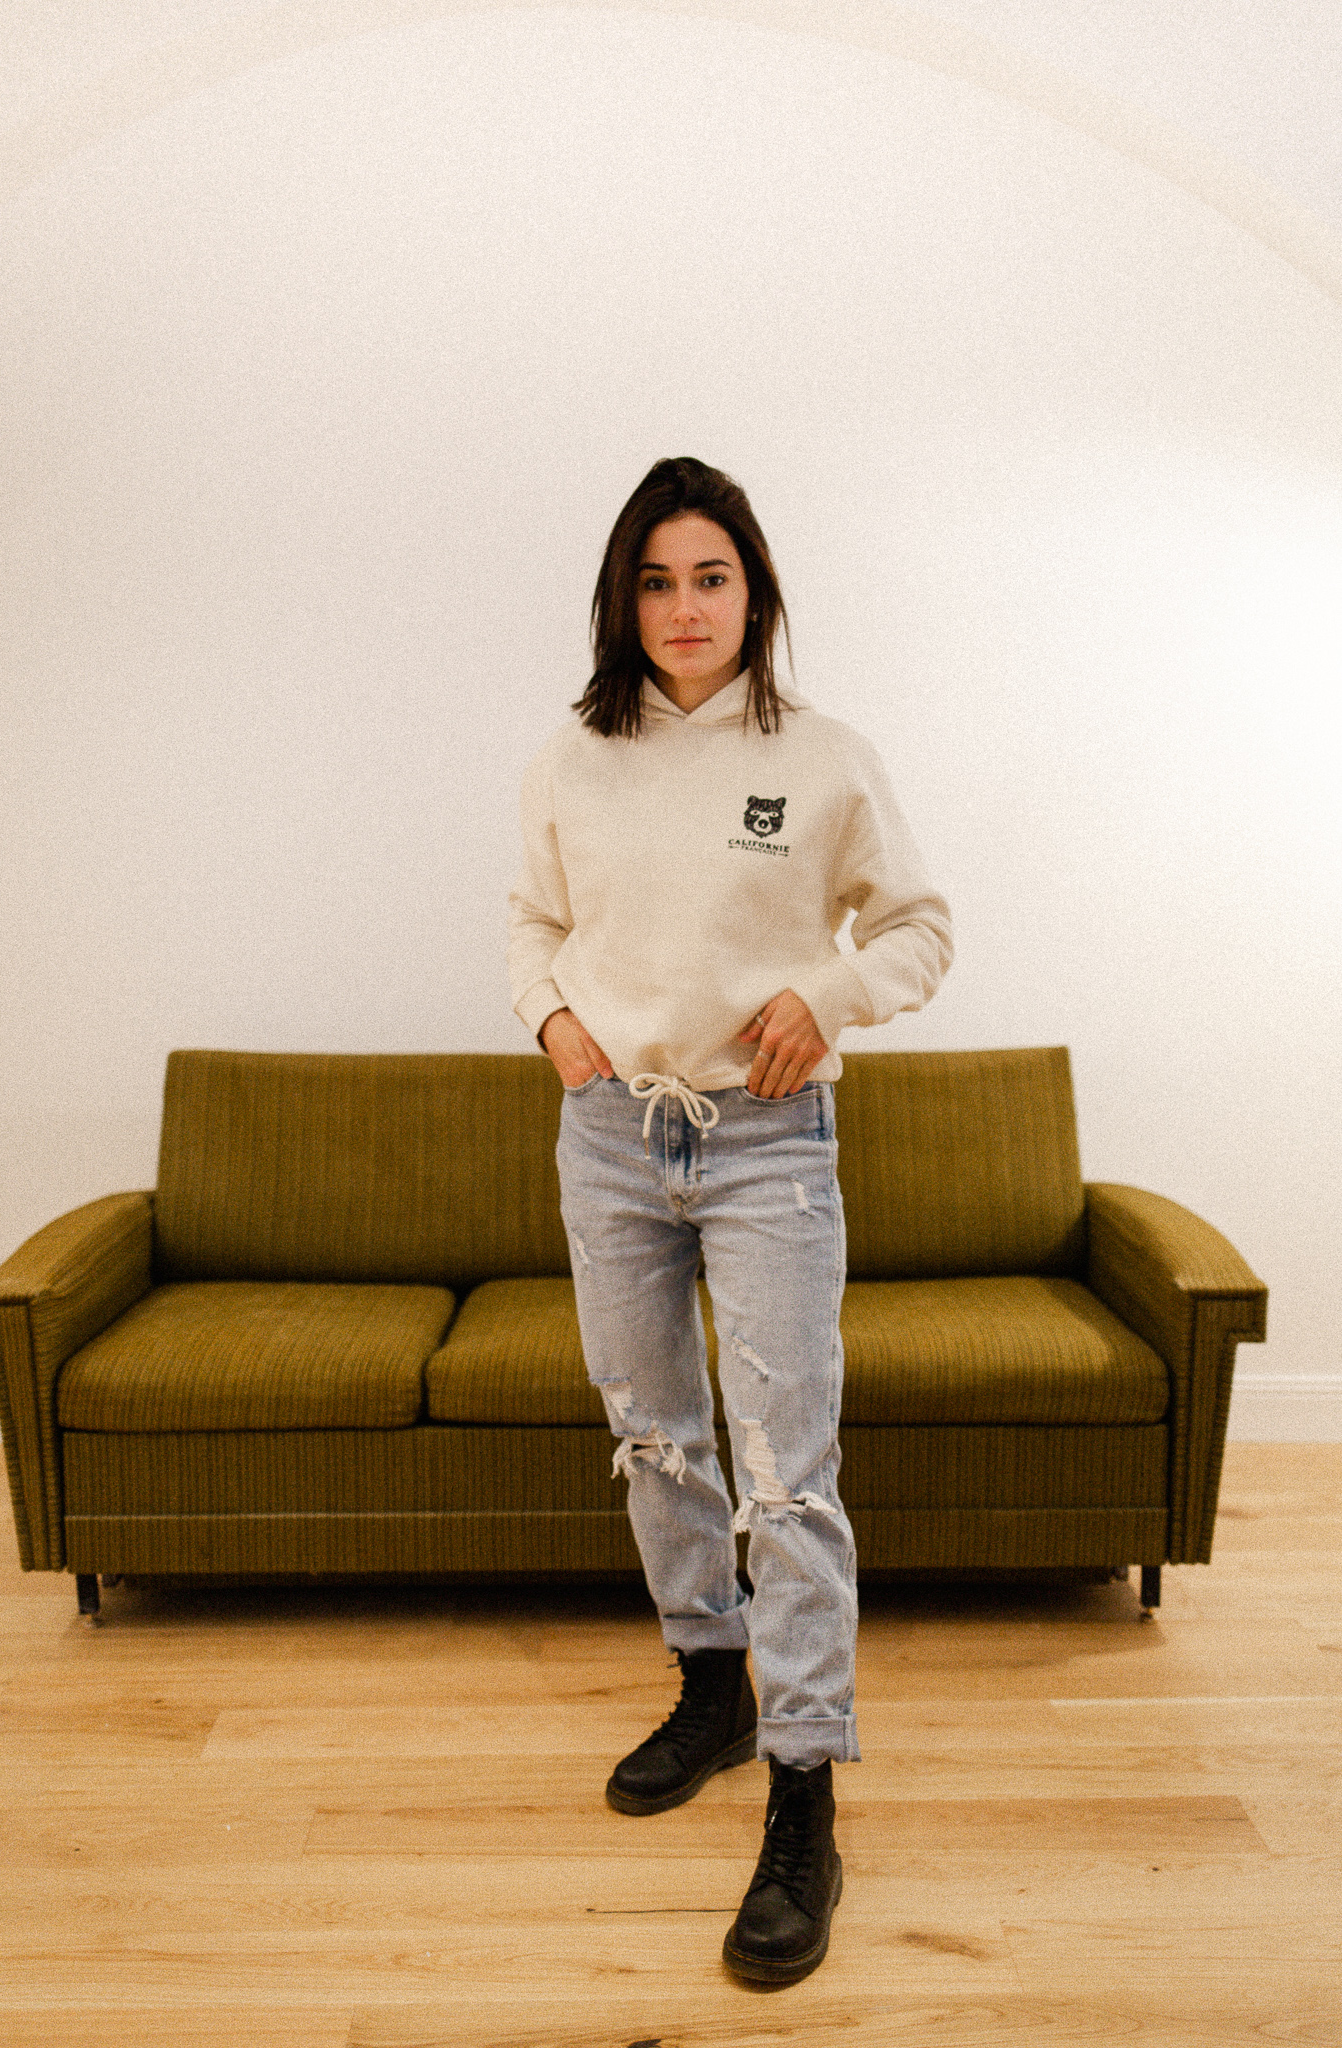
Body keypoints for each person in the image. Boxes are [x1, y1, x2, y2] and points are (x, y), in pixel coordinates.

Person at [507, 456, 953, 1985]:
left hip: (767, 1146)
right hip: (610, 1140)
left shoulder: (822, 758)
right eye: (655, 581)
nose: (683, 608)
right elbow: (532, 919)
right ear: (620, 601)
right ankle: (713, 1684)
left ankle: (803, 1788)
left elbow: (916, 927)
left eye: (709, 577)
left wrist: (829, 992)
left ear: (752, 592)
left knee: (786, 1472)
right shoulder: (573, 755)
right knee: (653, 1434)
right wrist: (550, 1018)